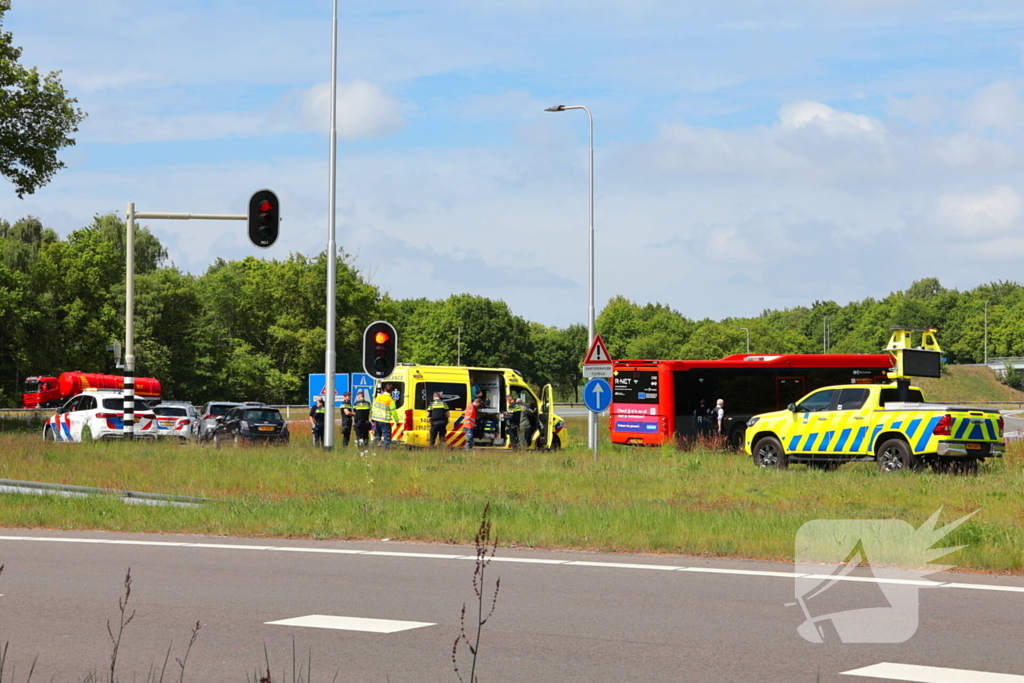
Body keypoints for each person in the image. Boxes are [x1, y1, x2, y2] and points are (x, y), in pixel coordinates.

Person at [371, 384, 399, 449]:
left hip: (377, 420)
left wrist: (372, 418)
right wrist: (397, 421)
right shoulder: (391, 400)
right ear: (391, 391)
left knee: (377, 436)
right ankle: (385, 452)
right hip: (384, 420)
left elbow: (374, 408)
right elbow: (394, 412)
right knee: (387, 437)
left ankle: (372, 449)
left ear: (384, 390)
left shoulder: (378, 397)